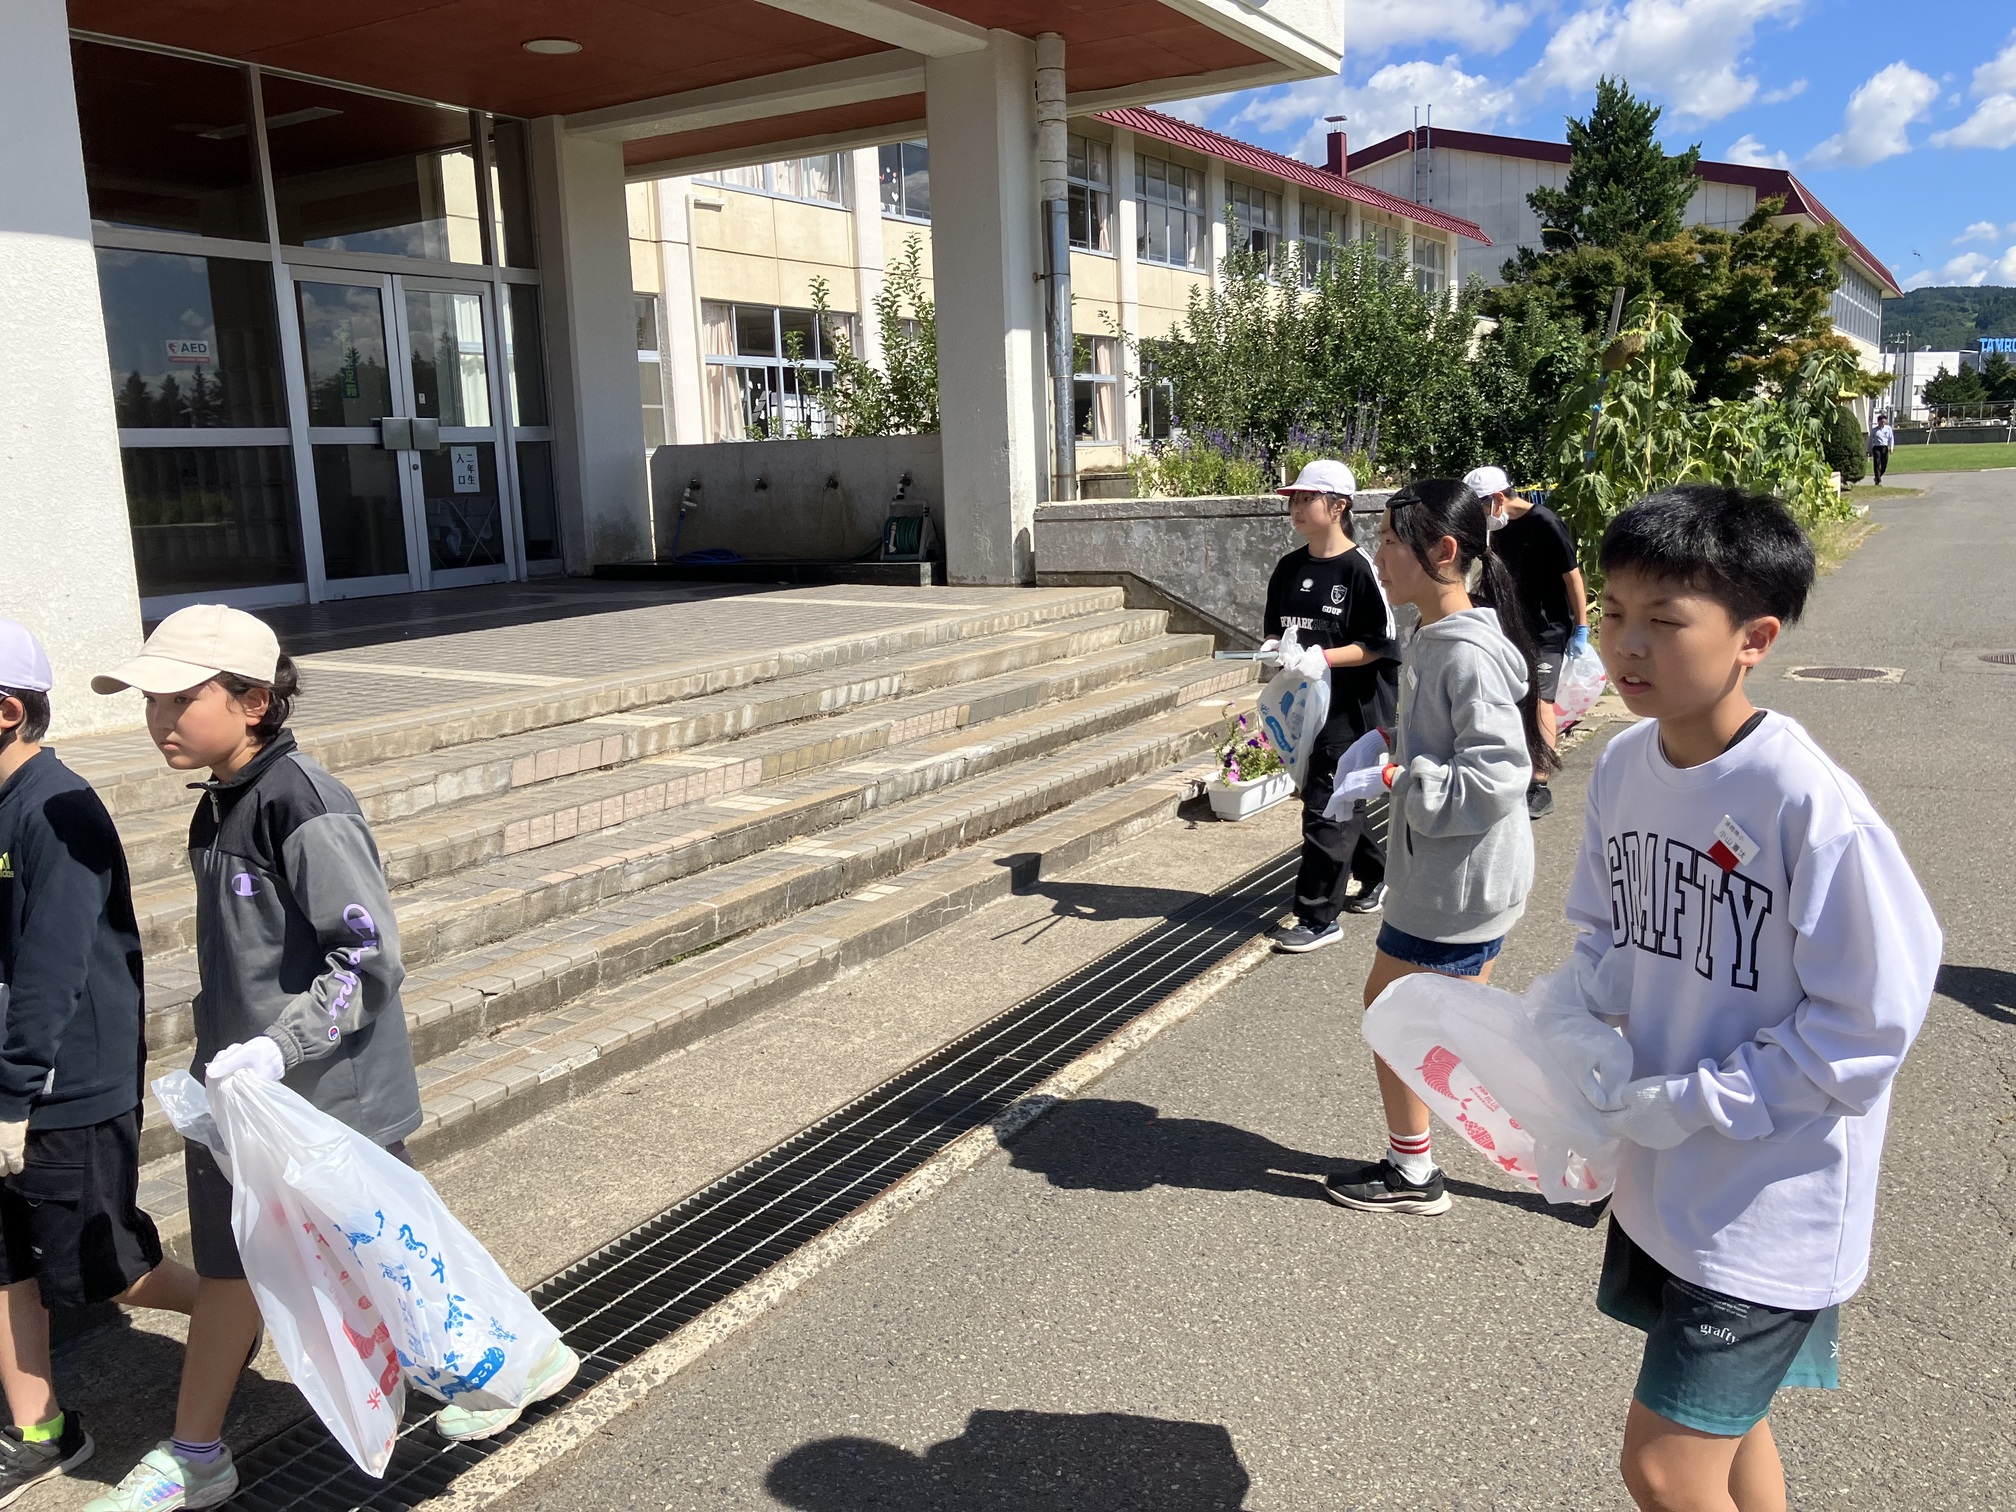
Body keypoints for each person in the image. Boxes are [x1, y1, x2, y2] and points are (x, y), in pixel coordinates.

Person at [85, 607, 579, 1512]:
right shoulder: (223, 802)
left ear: (254, 702)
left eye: (178, 699)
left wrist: (278, 1050)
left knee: (386, 1256)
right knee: (252, 1261)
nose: (158, 720)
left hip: (328, 1100)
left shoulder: (301, 803)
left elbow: (365, 958)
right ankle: (200, 1449)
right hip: (253, 1099)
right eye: (150, 701)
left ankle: (515, 1360)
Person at [1553, 486, 1938, 1511]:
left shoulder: (1805, 804)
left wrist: (1697, 1101)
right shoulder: (1627, 764)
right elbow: (1608, 930)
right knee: (1731, 1434)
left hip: (1767, 1201)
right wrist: (1574, 1016)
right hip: (1664, 1181)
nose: (1629, 645)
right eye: (1616, 613)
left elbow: (1870, 1021)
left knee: (1664, 1467)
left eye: (1665, 621)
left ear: (1753, 638)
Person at [0, 620, 202, 1507]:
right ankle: (42, 1431)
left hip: (61, 1086)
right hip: (13, 1082)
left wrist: (12, 1097)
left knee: (105, 1269)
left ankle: (259, 1312)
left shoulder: (57, 809)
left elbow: (51, 966)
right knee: (5, 1261)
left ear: (5, 710)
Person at [1323, 479, 1555, 1213]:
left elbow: (1495, 778)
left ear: (1444, 552)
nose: (1379, 556)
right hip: (1452, 877)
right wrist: (1392, 749)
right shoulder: (1435, 634)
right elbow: (1452, 747)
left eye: (1391, 542)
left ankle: (1426, 1170)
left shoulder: (1464, 652)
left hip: (1457, 884)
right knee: (1438, 1027)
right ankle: (1546, 1149)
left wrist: (1399, 774)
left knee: (1408, 1018)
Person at [1261, 460, 1401, 953]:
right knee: (1329, 797)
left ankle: (1319, 916)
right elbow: (1277, 629)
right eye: (1293, 500)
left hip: (1354, 708)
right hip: (1307, 708)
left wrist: (1323, 656)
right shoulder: (1289, 566)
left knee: (1325, 809)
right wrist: (1276, 648)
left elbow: (1381, 643)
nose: (1296, 508)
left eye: (1306, 499)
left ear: (1338, 506)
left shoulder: (1361, 569)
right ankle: (1378, 873)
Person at [1463, 465, 1588, 819]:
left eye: (1481, 506)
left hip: (1548, 629)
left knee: (1541, 701)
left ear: (1499, 498)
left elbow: (1573, 579)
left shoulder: (1545, 523)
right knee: (1516, 699)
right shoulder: (1494, 530)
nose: (1480, 515)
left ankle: (1540, 784)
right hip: (1512, 625)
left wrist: (1581, 627)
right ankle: (1514, 769)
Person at [1868, 412, 1894, 485]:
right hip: (1876, 447)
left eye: (1884, 421)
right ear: (1878, 421)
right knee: (1876, 463)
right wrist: (1869, 450)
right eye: (1881, 421)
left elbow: (1891, 438)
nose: (1883, 422)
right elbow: (1870, 440)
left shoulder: (1888, 429)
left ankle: (1877, 477)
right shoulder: (1874, 430)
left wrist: (1891, 447)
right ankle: (1878, 480)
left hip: (1884, 447)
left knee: (1884, 465)